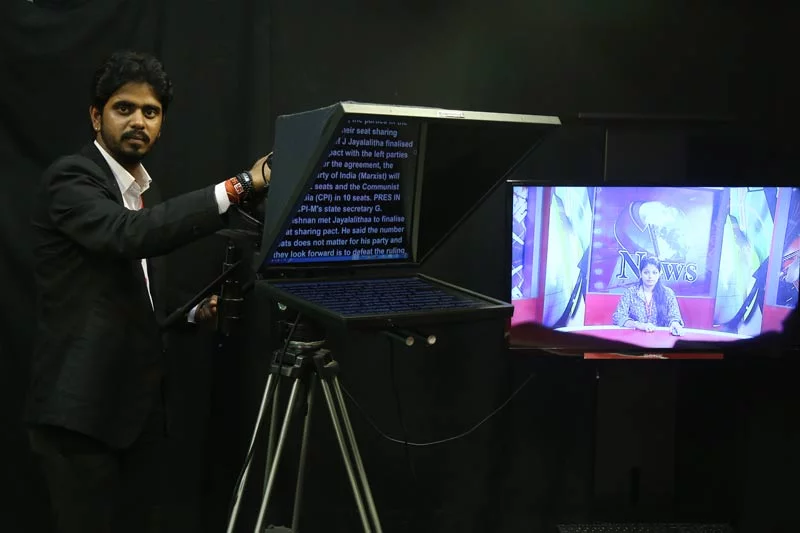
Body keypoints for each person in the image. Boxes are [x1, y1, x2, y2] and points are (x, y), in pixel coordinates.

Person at [25, 50, 271, 533]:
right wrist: (240, 186)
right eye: (125, 108)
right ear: (96, 117)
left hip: (137, 415)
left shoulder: (142, 193)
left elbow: (135, 295)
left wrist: (193, 314)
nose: (139, 121)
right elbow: (129, 235)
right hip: (81, 417)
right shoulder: (70, 178)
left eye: (151, 112)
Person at [611, 255, 685, 336]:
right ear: (640, 273)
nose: (650, 276)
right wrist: (638, 325)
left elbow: (674, 317)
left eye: (654, 273)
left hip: (661, 338)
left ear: (660, 274)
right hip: (635, 338)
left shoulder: (668, 293)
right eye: (646, 272)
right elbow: (618, 316)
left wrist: (675, 324)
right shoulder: (630, 293)